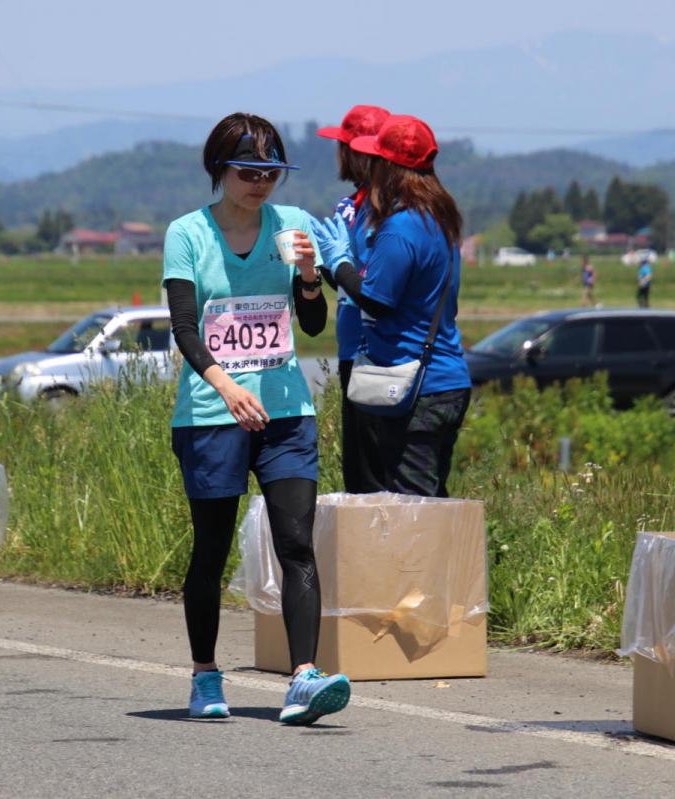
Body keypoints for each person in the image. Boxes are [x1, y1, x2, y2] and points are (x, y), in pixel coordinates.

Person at [162, 112, 350, 724]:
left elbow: (312, 324)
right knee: (211, 549)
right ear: (220, 170)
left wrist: (308, 275)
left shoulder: (293, 225)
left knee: (297, 543)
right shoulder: (187, 233)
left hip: (286, 412)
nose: (260, 183)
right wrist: (226, 387)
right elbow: (184, 328)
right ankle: (205, 675)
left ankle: (303, 678)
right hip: (211, 415)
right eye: (248, 172)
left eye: (271, 173)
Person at [312, 114, 471, 498]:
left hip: (413, 383)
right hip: (445, 377)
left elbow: (376, 301)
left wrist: (338, 262)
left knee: (411, 507)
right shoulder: (438, 217)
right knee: (429, 498)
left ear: (388, 167)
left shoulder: (400, 227)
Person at [314, 104, 390, 493]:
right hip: (352, 349)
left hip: (374, 353)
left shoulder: (385, 213)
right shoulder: (351, 207)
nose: (338, 154)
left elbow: (375, 287)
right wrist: (318, 264)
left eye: (342, 146)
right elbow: (345, 284)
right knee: (360, 469)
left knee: (372, 474)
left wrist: (339, 262)